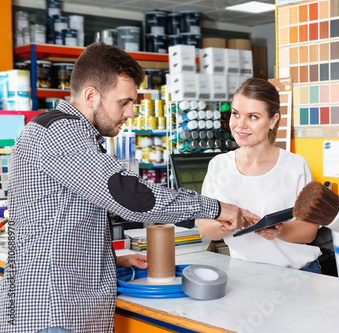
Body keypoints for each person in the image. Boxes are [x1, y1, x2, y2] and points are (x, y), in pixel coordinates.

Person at [0, 43, 259, 333]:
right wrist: (214, 207)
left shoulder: (59, 132)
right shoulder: (61, 133)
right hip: (52, 314)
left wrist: (108, 259)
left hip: (54, 308)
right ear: (90, 96)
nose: (131, 112)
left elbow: (57, 225)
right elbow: (131, 196)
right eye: (123, 102)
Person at [197, 78, 323, 273]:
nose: (240, 125)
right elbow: (204, 228)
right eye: (236, 114)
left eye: (253, 117)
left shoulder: (295, 166)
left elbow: (309, 232)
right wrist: (229, 223)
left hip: (297, 275)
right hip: (246, 276)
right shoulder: (219, 166)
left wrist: (280, 231)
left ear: (273, 120)